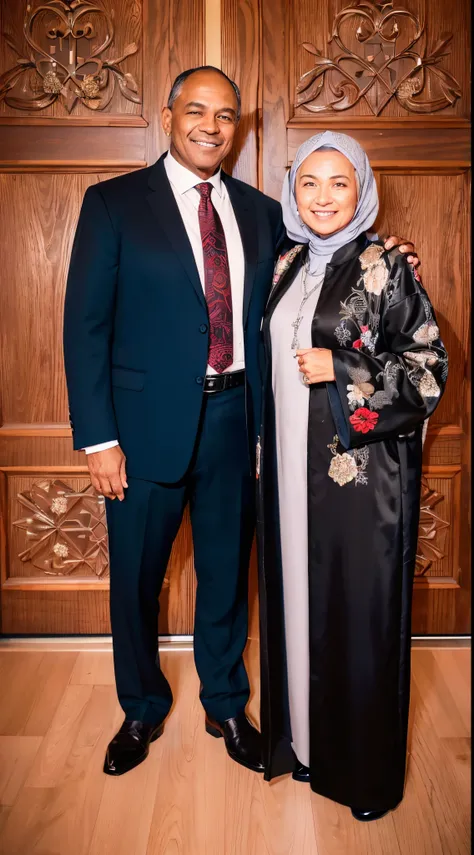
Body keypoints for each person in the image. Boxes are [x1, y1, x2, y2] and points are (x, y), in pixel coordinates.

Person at [63, 66, 420, 778]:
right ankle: (140, 706)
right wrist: (98, 438)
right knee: (136, 578)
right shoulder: (112, 204)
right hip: (137, 431)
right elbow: (84, 328)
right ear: (168, 116)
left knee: (227, 575)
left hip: (237, 420)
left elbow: (325, 268)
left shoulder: (263, 212)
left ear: (238, 128)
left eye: (226, 115)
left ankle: (226, 702)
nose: (211, 126)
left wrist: (392, 260)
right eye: (196, 111)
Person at [257, 131, 447, 821]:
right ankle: (306, 746)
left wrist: (342, 368)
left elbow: (430, 372)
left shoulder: (387, 267)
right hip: (286, 471)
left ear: (362, 188)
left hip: (356, 481)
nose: (324, 196)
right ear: (293, 191)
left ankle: (360, 771)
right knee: (300, 604)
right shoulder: (285, 263)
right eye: (310, 182)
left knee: (356, 617)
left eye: (339, 182)